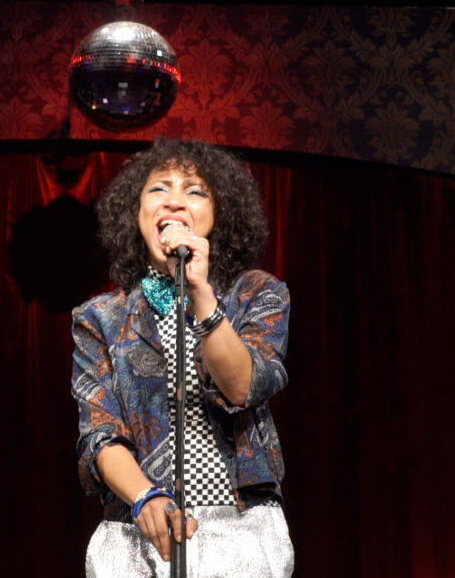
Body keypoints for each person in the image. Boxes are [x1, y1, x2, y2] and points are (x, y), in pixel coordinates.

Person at [71, 139, 294, 577]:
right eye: (159, 188)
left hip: (240, 529)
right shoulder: (99, 317)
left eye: (195, 191)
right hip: (138, 529)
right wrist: (144, 496)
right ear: (136, 213)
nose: (174, 200)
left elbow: (244, 387)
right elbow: (100, 433)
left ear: (218, 214)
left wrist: (200, 294)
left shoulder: (256, 294)